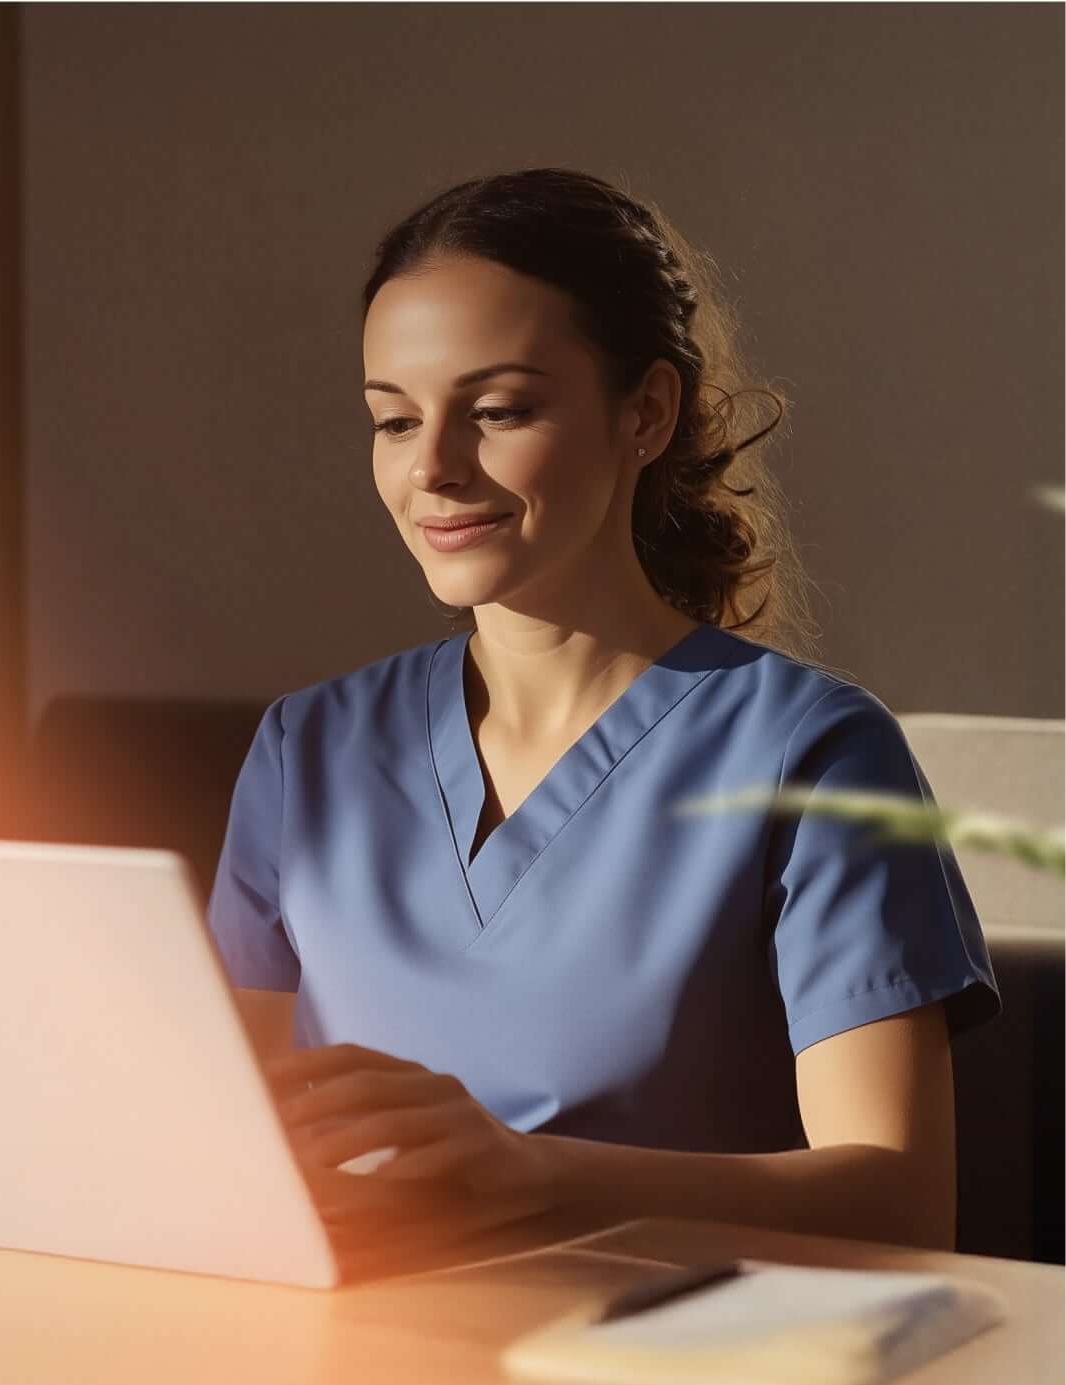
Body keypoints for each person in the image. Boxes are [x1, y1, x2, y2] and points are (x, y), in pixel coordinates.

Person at [208, 167, 1000, 1257]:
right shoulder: (310, 749)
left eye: (498, 411)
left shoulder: (814, 753)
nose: (432, 468)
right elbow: (217, 1150)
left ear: (647, 412)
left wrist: (528, 1172)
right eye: (393, 421)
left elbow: (901, 1206)